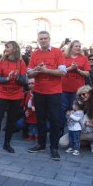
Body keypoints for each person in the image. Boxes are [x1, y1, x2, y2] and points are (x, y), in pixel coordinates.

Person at [27, 31, 66, 161]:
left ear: (49, 39)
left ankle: (54, 148)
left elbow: (62, 71)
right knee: (40, 119)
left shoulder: (57, 52)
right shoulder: (35, 53)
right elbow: (30, 73)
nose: (43, 40)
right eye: (41, 39)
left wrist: (46, 71)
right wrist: (37, 70)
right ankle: (41, 144)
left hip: (54, 92)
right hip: (39, 91)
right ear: (38, 40)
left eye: (45, 38)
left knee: (54, 120)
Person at [0, 41, 27, 154]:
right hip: (2, 95)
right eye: (5, 47)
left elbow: (24, 81)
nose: (5, 48)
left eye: (8, 46)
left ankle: (7, 144)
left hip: (16, 95)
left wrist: (18, 78)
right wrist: (7, 79)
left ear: (14, 48)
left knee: (11, 121)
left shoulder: (21, 62)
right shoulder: (1, 61)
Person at [59, 85, 93, 154]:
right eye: (80, 95)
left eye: (84, 94)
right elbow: (71, 119)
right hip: (78, 133)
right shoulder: (78, 105)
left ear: (90, 94)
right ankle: (84, 142)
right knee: (62, 143)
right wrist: (69, 114)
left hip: (92, 133)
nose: (82, 96)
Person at [60, 40, 90, 136]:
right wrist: (70, 68)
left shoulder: (84, 58)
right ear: (71, 47)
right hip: (63, 87)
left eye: (79, 46)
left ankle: (74, 132)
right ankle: (60, 130)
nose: (78, 48)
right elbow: (59, 71)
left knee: (75, 110)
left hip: (78, 90)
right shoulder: (63, 57)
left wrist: (77, 70)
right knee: (63, 108)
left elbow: (87, 73)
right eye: (76, 46)